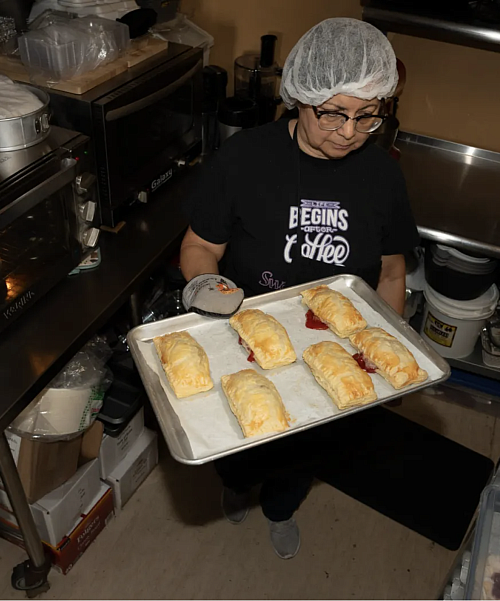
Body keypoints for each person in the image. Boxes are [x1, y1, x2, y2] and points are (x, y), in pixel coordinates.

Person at [179, 17, 419, 560]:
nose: (349, 131)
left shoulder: (383, 176)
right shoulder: (243, 160)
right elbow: (200, 247)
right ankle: (237, 485)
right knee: (246, 436)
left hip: (334, 350)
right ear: (299, 97)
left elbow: (391, 273)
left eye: (367, 115)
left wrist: (386, 353)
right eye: (332, 112)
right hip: (247, 340)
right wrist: (209, 292)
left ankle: (281, 508)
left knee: (308, 451)